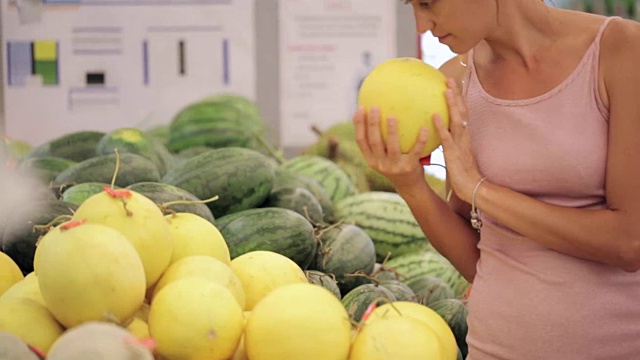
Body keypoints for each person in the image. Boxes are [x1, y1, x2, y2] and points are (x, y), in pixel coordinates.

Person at [353, 0, 640, 359]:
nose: (421, 24)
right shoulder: (454, 84)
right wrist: (411, 186)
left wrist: (480, 190)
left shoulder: (623, 51)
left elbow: (629, 243)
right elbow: (480, 260)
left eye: (427, 3)